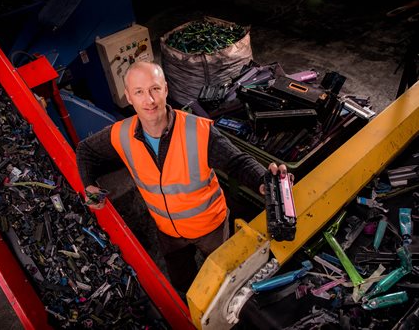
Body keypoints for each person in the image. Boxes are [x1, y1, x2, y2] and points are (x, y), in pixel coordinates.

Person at [76, 61, 290, 293]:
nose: (149, 100)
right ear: (129, 96)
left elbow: (237, 161)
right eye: (139, 92)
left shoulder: (197, 131)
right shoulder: (121, 134)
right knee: (181, 282)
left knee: (226, 280)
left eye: (155, 89)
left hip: (211, 230)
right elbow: (86, 151)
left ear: (166, 89)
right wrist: (88, 185)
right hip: (167, 232)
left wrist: (262, 181)